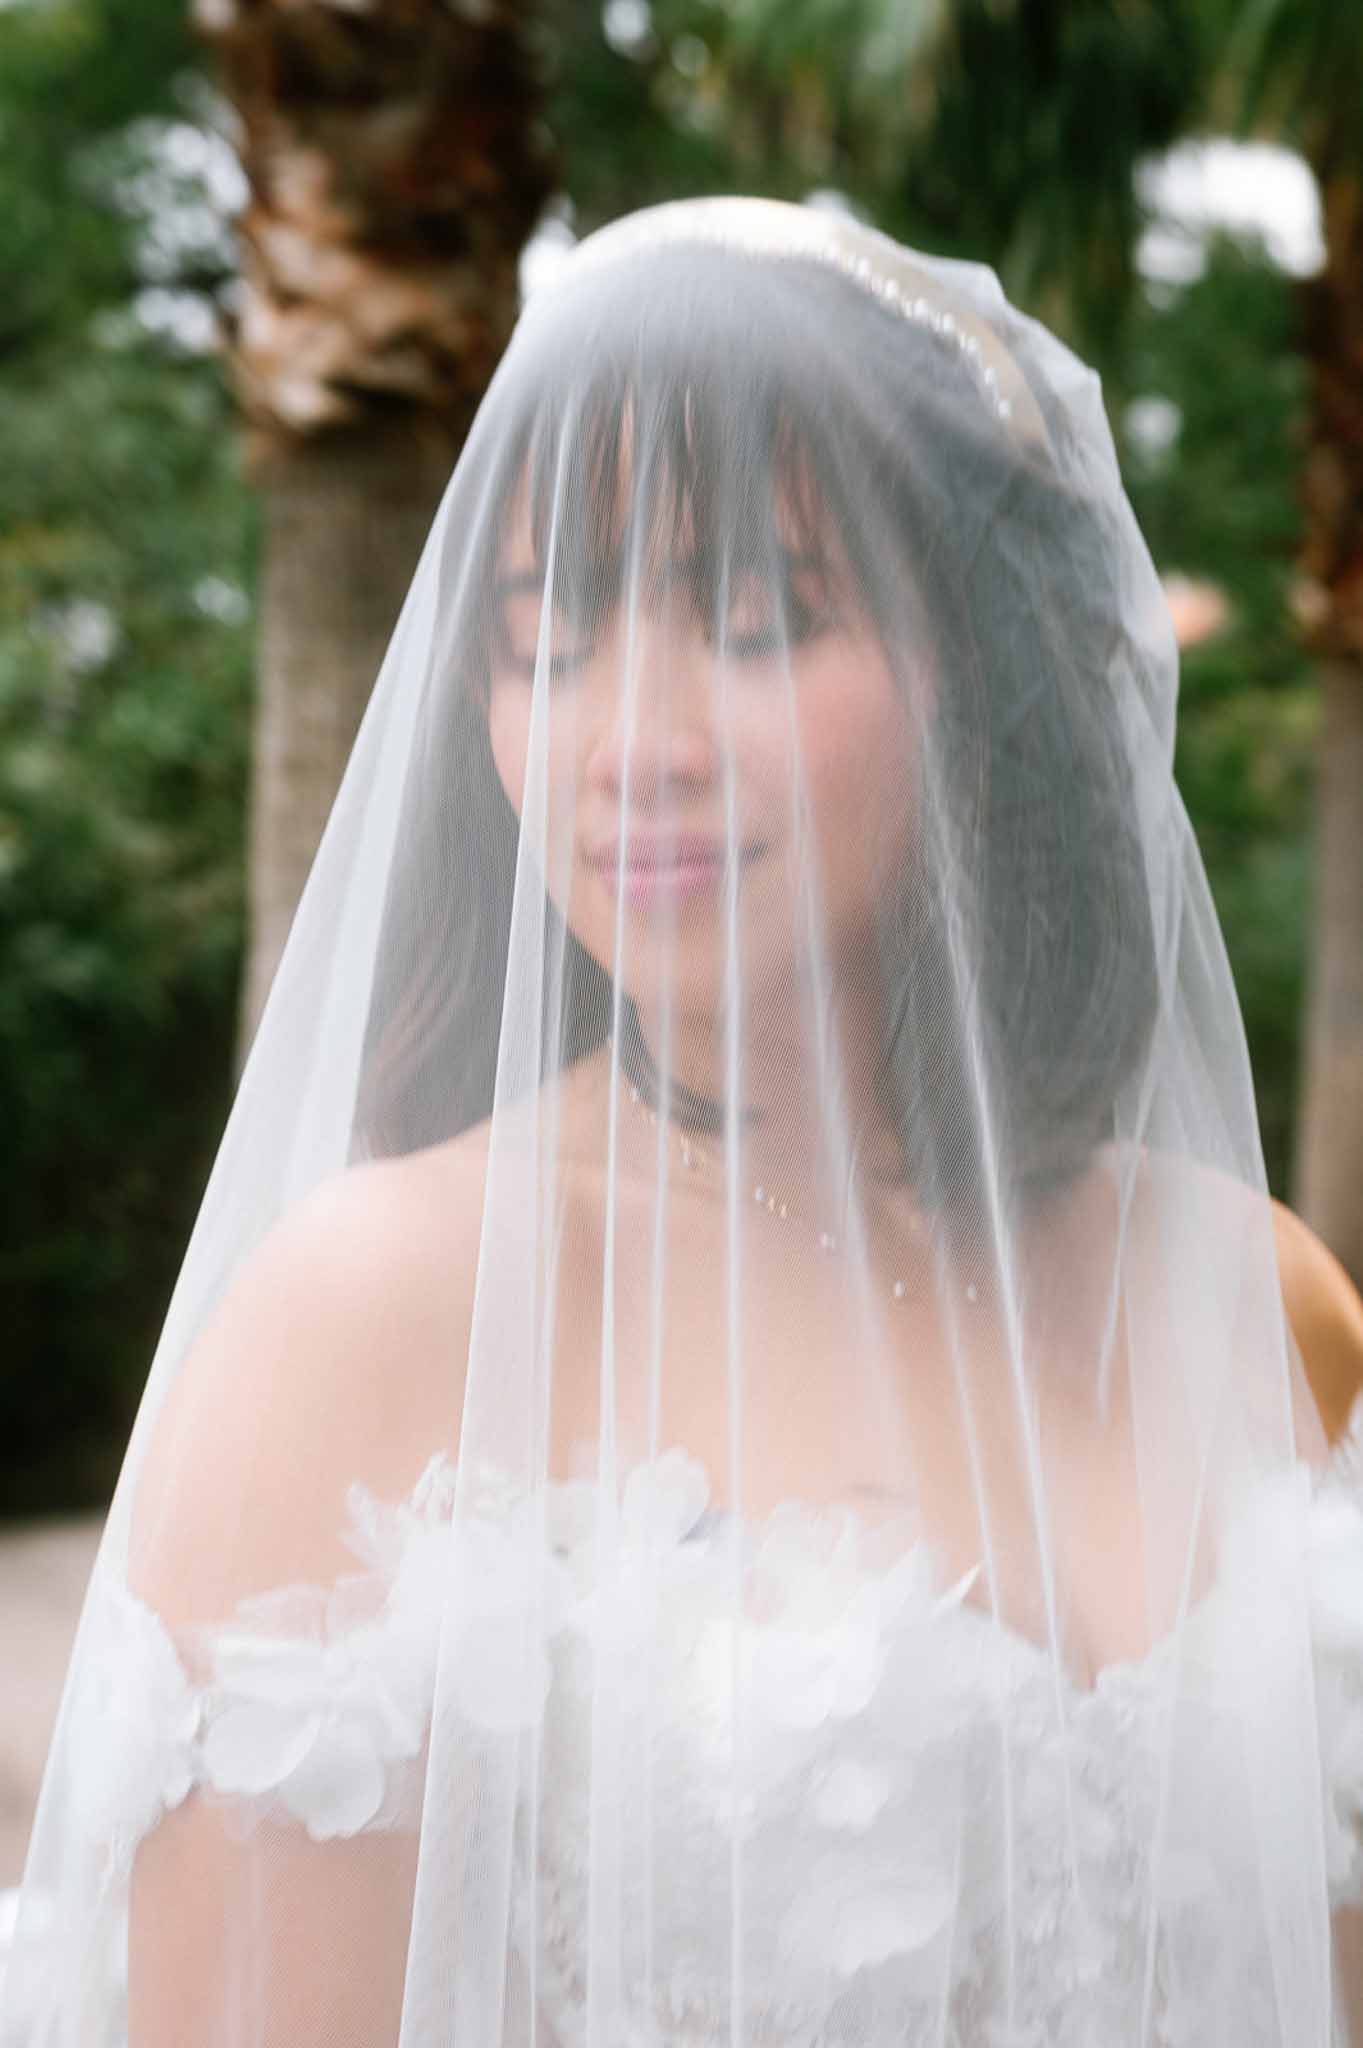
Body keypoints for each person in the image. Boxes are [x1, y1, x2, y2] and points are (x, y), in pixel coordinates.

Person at [5, 195, 1363, 2048]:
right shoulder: (382, 1312)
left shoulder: (1253, 1293)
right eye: (546, 634)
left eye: (759, 618)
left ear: (991, 675)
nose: (630, 738)